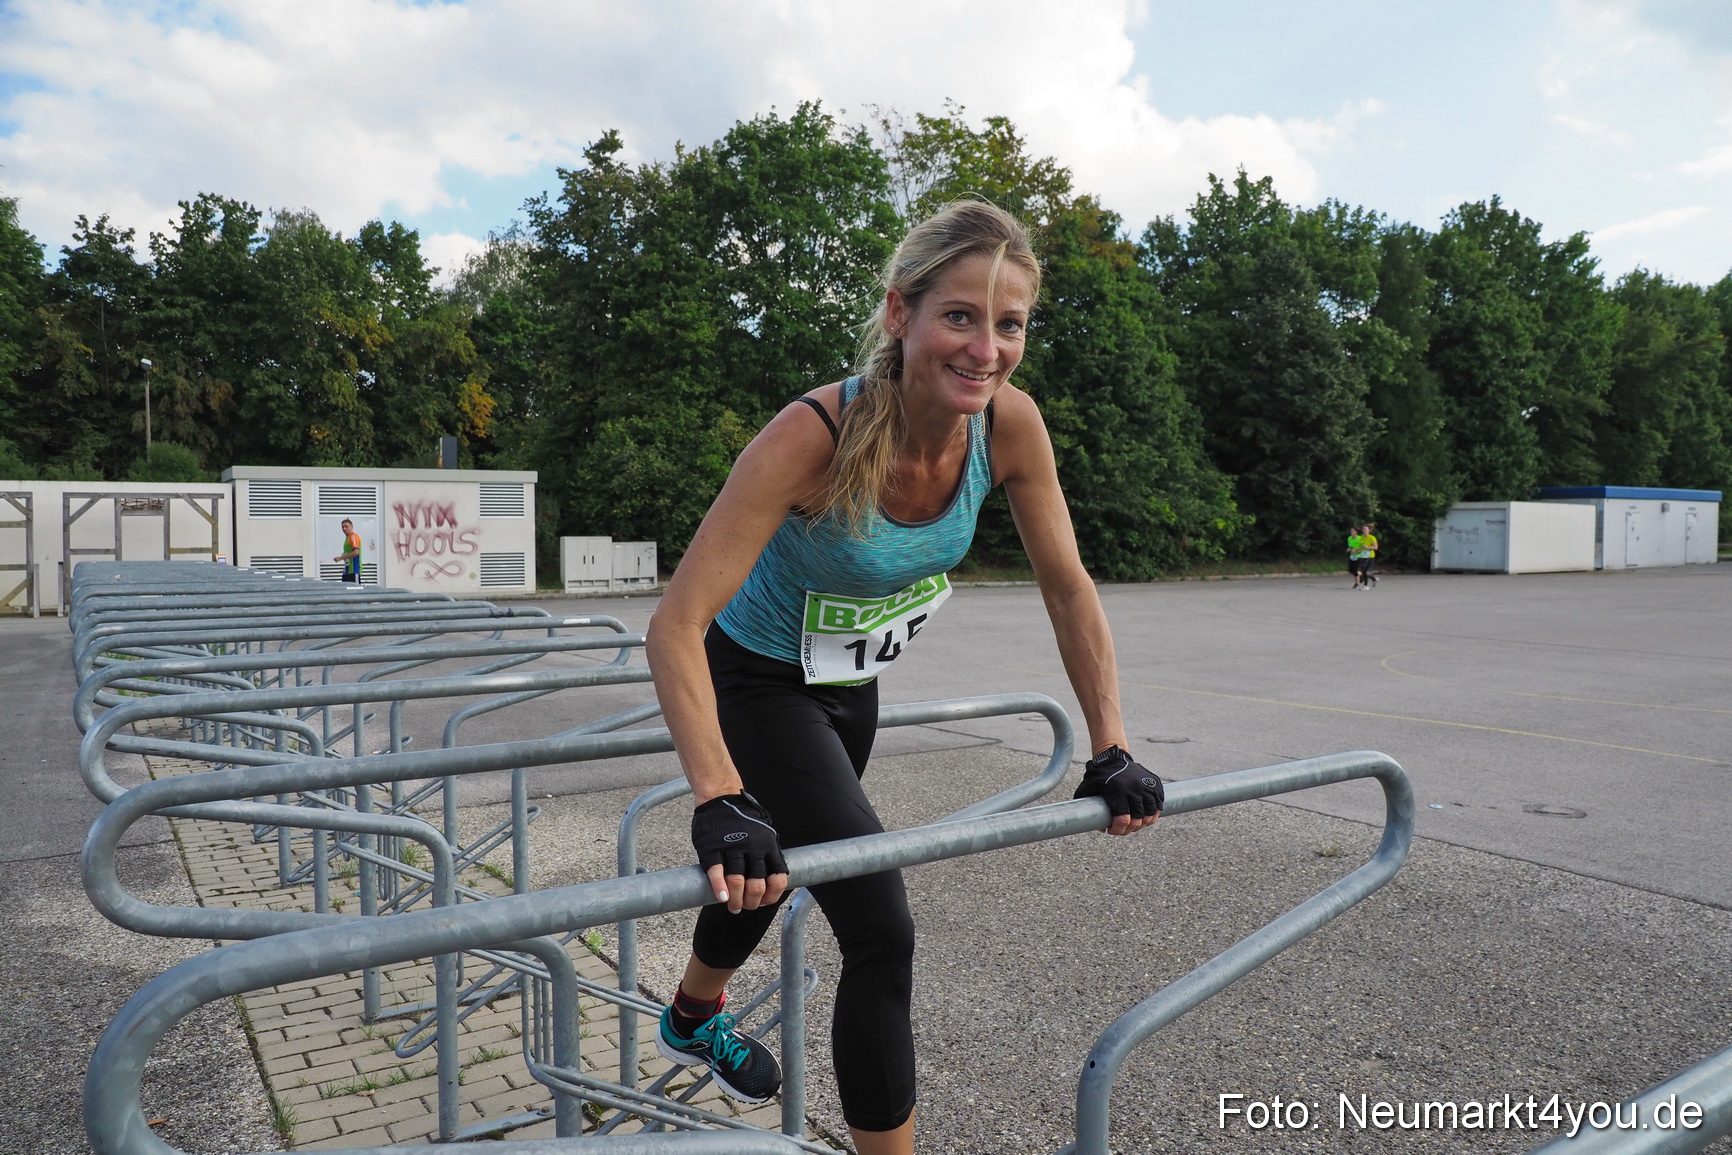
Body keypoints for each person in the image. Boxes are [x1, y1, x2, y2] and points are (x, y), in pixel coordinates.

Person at [644, 201, 1164, 1155]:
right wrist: (717, 792)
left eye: (1009, 324)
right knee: (880, 927)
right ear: (900, 315)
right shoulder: (813, 434)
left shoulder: (1010, 428)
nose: (987, 348)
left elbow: (1069, 589)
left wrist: (1112, 743)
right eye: (960, 316)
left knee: (773, 869)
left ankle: (688, 1014)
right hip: (755, 681)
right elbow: (675, 623)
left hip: (851, 686)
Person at [333, 518, 361, 583]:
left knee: (354, 589)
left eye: (346, 526)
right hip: (348, 568)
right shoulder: (347, 538)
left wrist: (341, 558)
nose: (344, 529)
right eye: (342, 527)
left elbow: (356, 552)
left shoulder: (353, 536)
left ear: (352, 527)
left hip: (354, 569)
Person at [1360, 522, 1379, 587]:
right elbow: (1360, 547)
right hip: (1363, 556)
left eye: (1366, 529)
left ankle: (1366, 586)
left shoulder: (1372, 538)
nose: (1365, 531)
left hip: (1370, 556)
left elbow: (1376, 547)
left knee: (1365, 571)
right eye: (1363, 529)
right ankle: (1374, 579)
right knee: (1363, 571)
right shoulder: (1361, 537)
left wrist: (1368, 547)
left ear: (1369, 530)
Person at [1347, 524, 1364, 589]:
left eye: (1353, 531)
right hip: (1352, 556)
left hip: (1358, 556)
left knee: (1355, 570)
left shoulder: (1360, 538)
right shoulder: (1349, 538)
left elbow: (1362, 548)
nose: (1351, 532)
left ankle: (1356, 583)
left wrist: (1356, 550)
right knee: (1351, 570)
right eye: (1351, 531)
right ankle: (1360, 575)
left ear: (1356, 532)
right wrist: (1349, 549)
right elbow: (1350, 546)